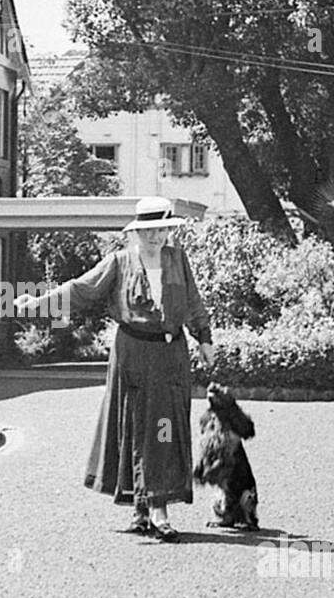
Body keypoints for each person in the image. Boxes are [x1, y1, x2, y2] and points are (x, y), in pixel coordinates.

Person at [14, 197, 216, 542]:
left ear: (168, 230)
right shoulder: (119, 263)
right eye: (148, 232)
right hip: (133, 355)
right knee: (136, 427)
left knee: (164, 427)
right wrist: (38, 303)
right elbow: (80, 290)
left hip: (170, 358)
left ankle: (151, 504)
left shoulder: (177, 259)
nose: (155, 238)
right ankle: (153, 510)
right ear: (136, 233)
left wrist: (204, 338)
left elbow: (193, 301)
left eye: (161, 230)